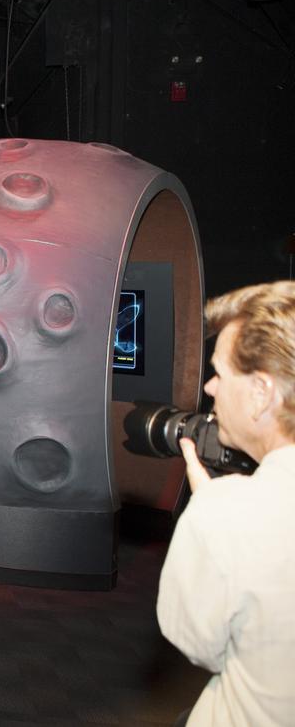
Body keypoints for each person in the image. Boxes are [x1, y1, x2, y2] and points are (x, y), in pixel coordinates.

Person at [156, 281, 295, 727]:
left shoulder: (227, 514)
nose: (211, 387)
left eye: (219, 372)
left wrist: (209, 512)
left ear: (261, 393)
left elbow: (198, 644)